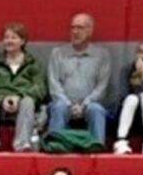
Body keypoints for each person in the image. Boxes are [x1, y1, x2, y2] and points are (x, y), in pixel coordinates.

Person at [0, 22, 48, 153]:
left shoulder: (33, 63)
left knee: (28, 101)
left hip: (23, 105)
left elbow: (40, 88)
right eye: (6, 37)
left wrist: (19, 97)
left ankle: (22, 145)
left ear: (23, 41)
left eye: (13, 37)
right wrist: (2, 99)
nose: (9, 41)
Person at [47, 12, 112, 146]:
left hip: (90, 104)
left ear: (90, 31)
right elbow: (54, 84)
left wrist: (85, 104)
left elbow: (102, 87)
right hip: (63, 103)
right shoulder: (57, 53)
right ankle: (54, 147)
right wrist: (69, 105)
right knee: (59, 107)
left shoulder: (102, 55)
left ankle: (97, 148)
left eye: (80, 28)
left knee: (97, 110)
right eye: (72, 28)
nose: (75, 32)